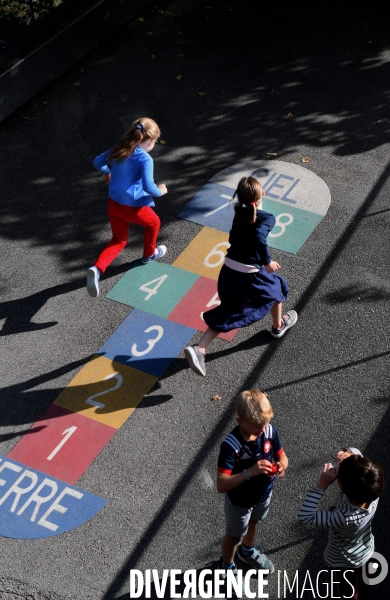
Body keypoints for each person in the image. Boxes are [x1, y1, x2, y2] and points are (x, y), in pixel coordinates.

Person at [184, 176, 297, 376]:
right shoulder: (266, 217)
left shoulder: (239, 215)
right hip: (248, 273)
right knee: (277, 288)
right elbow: (259, 238)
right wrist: (267, 262)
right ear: (262, 194)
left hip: (228, 270)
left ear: (239, 198)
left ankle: (199, 349)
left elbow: (235, 237)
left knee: (229, 308)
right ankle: (278, 326)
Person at [87, 117, 168, 297]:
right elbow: (148, 187)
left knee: (118, 240)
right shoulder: (145, 159)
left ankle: (97, 268)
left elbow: (97, 162)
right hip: (133, 208)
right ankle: (148, 255)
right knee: (153, 223)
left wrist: (107, 174)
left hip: (114, 205)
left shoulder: (120, 148)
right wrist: (161, 191)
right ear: (152, 141)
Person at [216, 389, 288, 582]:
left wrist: (281, 466)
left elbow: (282, 456)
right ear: (240, 421)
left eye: (265, 424)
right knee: (234, 536)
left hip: (263, 495)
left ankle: (246, 551)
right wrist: (249, 473)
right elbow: (222, 484)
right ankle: (227, 565)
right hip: (240, 501)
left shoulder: (269, 430)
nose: (263, 430)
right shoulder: (231, 446)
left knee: (254, 522)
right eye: (257, 427)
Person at [297, 448, 385, 599]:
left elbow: (306, 516)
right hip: (366, 549)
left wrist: (322, 485)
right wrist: (350, 454)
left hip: (343, 561)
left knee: (346, 591)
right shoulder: (372, 493)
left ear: (342, 486)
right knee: (364, 582)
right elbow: (363, 466)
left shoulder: (343, 517)